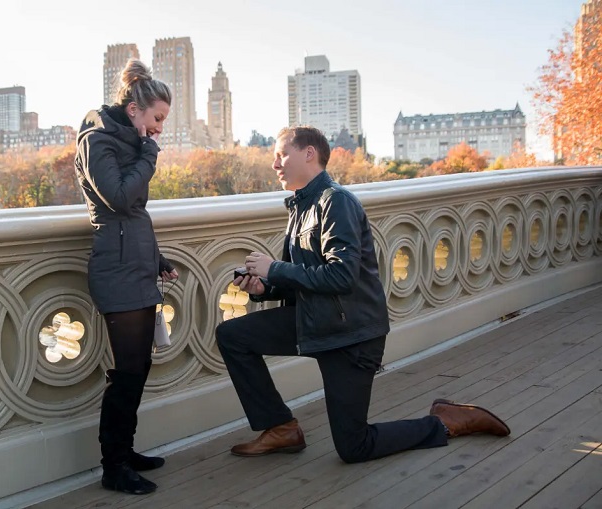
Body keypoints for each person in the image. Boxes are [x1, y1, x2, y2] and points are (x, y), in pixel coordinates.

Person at [216, 126, 510, 464]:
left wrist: (275, 269)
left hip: (351, 335)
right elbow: (309, 277)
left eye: (280, 155)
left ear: (309, 153)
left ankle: (443, 422)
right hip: (314, 322)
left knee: (354, 446)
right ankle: (279, 427)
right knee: (233, 336)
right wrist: (265, 286)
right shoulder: (300, 206)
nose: (274, 165)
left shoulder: (335, 201)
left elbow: (341, 276)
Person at [75, 59, 178, 495]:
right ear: (135, 109)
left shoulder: (130, 139)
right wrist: (149, 153)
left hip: (136, 265)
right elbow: (118, 198)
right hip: (115, 271)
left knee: (140, 366)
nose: (159, 129)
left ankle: (126, 450)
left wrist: (156, 259)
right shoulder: (97, 141)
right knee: (127, 370)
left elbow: (135, 213)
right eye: (157, 119)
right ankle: (113, 465)